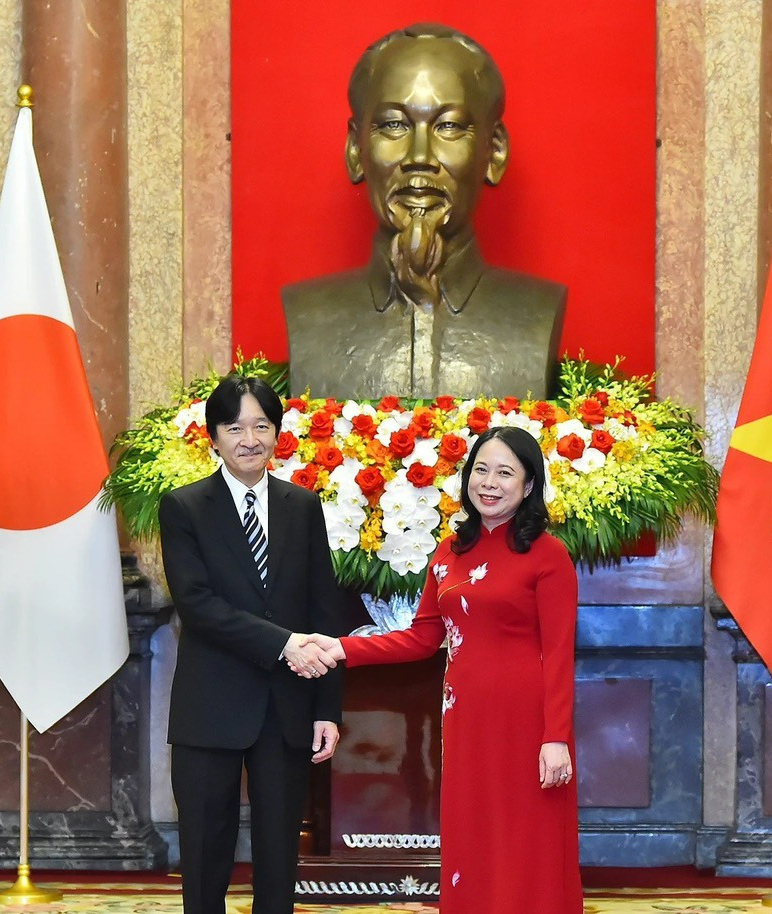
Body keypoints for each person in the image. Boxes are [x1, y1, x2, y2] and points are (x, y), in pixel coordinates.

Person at [295, 425, 581, 913]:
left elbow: (559, 653)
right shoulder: (450, 551)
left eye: (505, 473)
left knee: (526, 838)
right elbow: (422, 638)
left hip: (526, 722)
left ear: (529, 484)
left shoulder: (548, 555)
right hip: (464, 719)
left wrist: (556, 737)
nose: (489, 483)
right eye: (481, 470)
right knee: (472, 833)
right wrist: (342, 648)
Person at [282, 23, 565, 400]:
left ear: (494, 152)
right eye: (393, 125)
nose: (419, 157)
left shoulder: (537, 313)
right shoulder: (309, 315)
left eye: (448, 126)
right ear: (355, 150)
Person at [158, 374, 344, 914]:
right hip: (210, 704)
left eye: (261, 426)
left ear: (277, 433)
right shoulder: (185, 507)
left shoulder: (301, 506)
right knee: (204, 851)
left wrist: (327, 708)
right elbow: (197, 605)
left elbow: (323, 610)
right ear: (213, 437)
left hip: (286, 706)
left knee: (280, 853)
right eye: (234, 428)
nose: (249, 439)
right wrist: (284, 644)